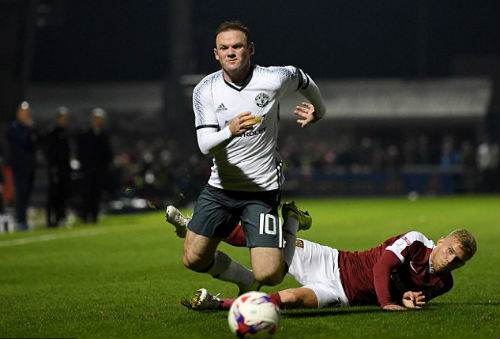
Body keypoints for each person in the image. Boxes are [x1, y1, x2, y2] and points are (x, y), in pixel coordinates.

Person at [170, 20, 326, 293]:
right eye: (224, 47)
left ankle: (291, 221)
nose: (231, 52)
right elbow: (206, 146)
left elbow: (303, 78)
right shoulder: (204, 90)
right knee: (193, 258)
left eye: (237, 46)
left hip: (261, 189)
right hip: (220, 189)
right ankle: (246, 282)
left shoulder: (273, 78)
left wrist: (319, 111)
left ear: (250, 49)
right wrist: (230, 130)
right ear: (215, 54)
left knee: (271, 275)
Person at [167, 207, 477, 311]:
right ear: (442, 241)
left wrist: (407, 299)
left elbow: (408, 293)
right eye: (451, 251)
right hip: (331, 262)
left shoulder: (443, 283)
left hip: (340, 294)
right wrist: (387, 302)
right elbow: (383, 266)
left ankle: (216, 305)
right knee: (263, 243)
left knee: (287, 300)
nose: (451, 260)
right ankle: (197, 226)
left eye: (458, 260)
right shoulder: (416, 240)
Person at [76, 107, 112, 224]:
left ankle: (94, 216)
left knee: (96, 193)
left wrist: (104, 167)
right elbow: (80, 152)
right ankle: (86, 216)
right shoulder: (85, 134)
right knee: (87, 193)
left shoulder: (104, 135)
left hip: (99, 170)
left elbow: (108, 153)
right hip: (88, 169)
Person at [7, 101, 39, 231]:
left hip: (30, 165)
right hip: (19, 166)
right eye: (24, 112)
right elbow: (24, 142)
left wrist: (31, 129)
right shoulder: (15, 128)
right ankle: (20, 221)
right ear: (19, 113)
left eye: (27, 112)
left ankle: (23, 220)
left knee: (27, 194)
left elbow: (37, 141)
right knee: (21, 194)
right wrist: (29, 129)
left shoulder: (29, 127)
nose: (26, 115)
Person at [44, 107, 71, 227]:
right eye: (63, 118)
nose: (64, 121)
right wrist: (53, 168)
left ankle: (60, 218)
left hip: (65, 169)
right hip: (55, 169)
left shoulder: (65, 133)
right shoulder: (52, 133)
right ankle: (50, 219)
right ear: (58, 119)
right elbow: (49, 153)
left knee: (62, 194)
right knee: (53, 195)